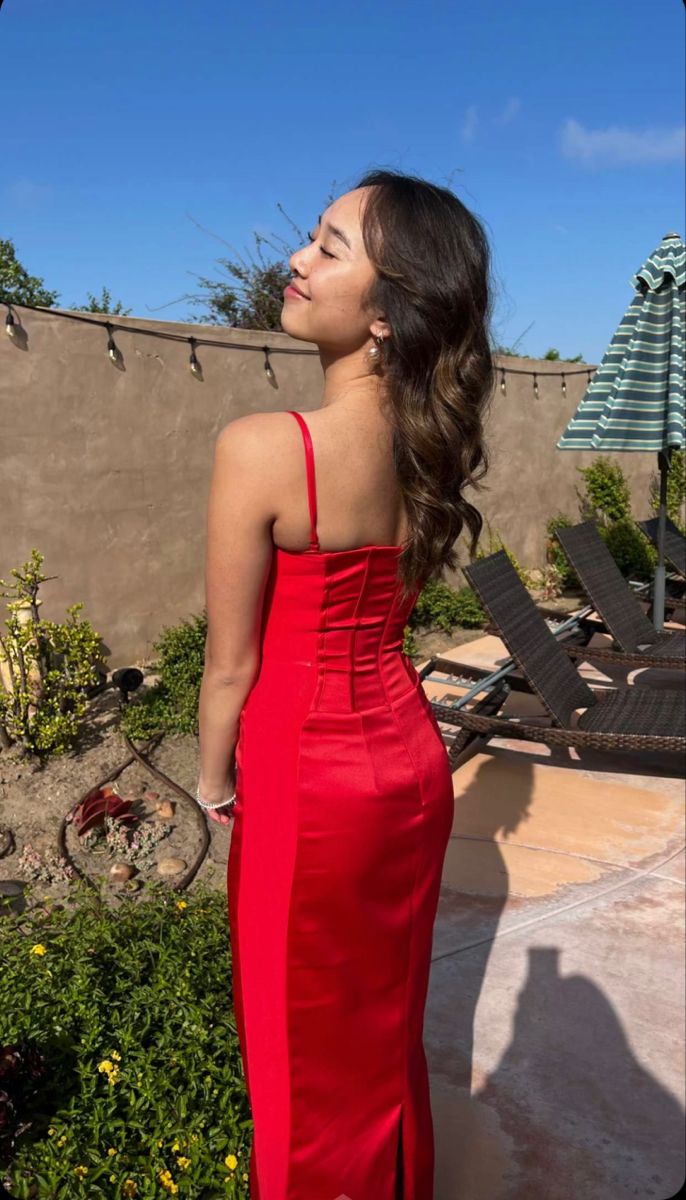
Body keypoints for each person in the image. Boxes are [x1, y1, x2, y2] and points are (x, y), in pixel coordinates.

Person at [196, 168, 494, 1199]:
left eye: (329, 246)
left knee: (300, 1053)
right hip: (409, 770)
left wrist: (212, 784)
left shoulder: (262, 448)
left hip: (307, 787)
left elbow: (230, 663)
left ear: (383, 313)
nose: (296, 258)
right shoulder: (426, 452)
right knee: (380, 1031)